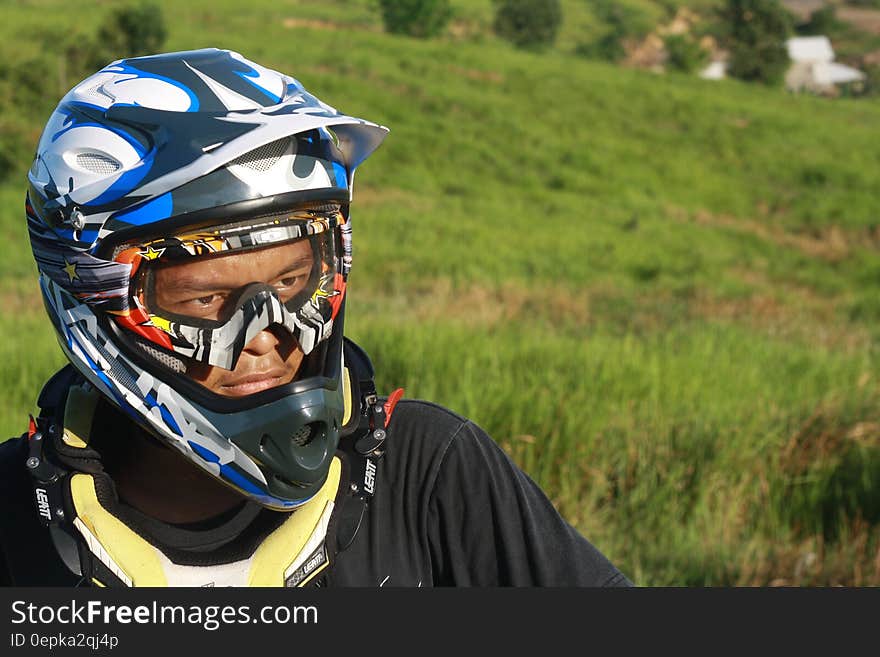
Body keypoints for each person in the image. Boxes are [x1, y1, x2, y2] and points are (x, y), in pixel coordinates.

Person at [0, 48, 631, 587]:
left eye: (293, 281)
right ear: (91, 291)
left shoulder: (427, 474)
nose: (268, 337)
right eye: (204, 300)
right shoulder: (13, 526)